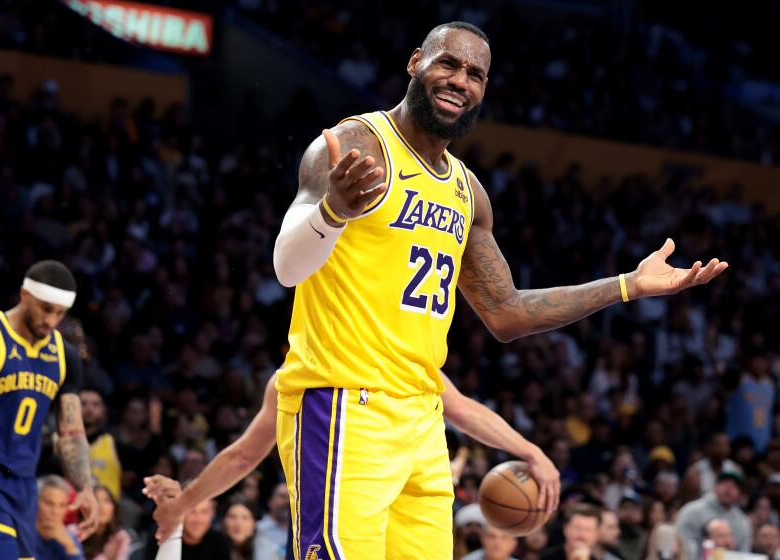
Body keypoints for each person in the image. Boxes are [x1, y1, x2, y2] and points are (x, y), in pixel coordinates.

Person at [270, 19, 727, 559]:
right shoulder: (356, 144)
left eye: (475, 74)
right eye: (448, 64)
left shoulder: (467, 192)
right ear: (416, 61)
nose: (460, 80)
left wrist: (627, 285)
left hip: (422, 419)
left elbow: (507, 313)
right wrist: (332, 213)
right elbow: (286, 267)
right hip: (345, 401)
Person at [145, 371, 557, 541]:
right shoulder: (298, 374)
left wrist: (529, 449)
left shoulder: (403, 351)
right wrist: (183, 504)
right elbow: (243, 455)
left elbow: (463, 409)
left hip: (406, 520)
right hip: (345, 518)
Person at [0, 260, 100, 559]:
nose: (51, 320)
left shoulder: (65, 357)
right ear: (24, 295)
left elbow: (71, 432)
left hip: (25, 487)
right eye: (45, 308)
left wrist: (85, 487)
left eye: (60, 313)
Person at [674, 471, 751, 560]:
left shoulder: (743, 522)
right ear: (715, 486)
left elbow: (744, 554)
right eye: (725, 483)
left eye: (734, 486)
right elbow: (681, 545)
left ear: (740, 494)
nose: (728, 489)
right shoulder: (691, 512)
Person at [35, 475, 84, 560]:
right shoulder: (23, 534)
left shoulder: (70, 539)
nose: (55, 512)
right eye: (49, 503)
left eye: (62, 505)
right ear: (35, 501)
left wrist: (70, 547)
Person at [83, 485, 131, 560]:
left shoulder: (121, 538)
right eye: (96, 500)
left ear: (114, 507)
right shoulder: (75, 533)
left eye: (106, 501)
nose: (101, 506)